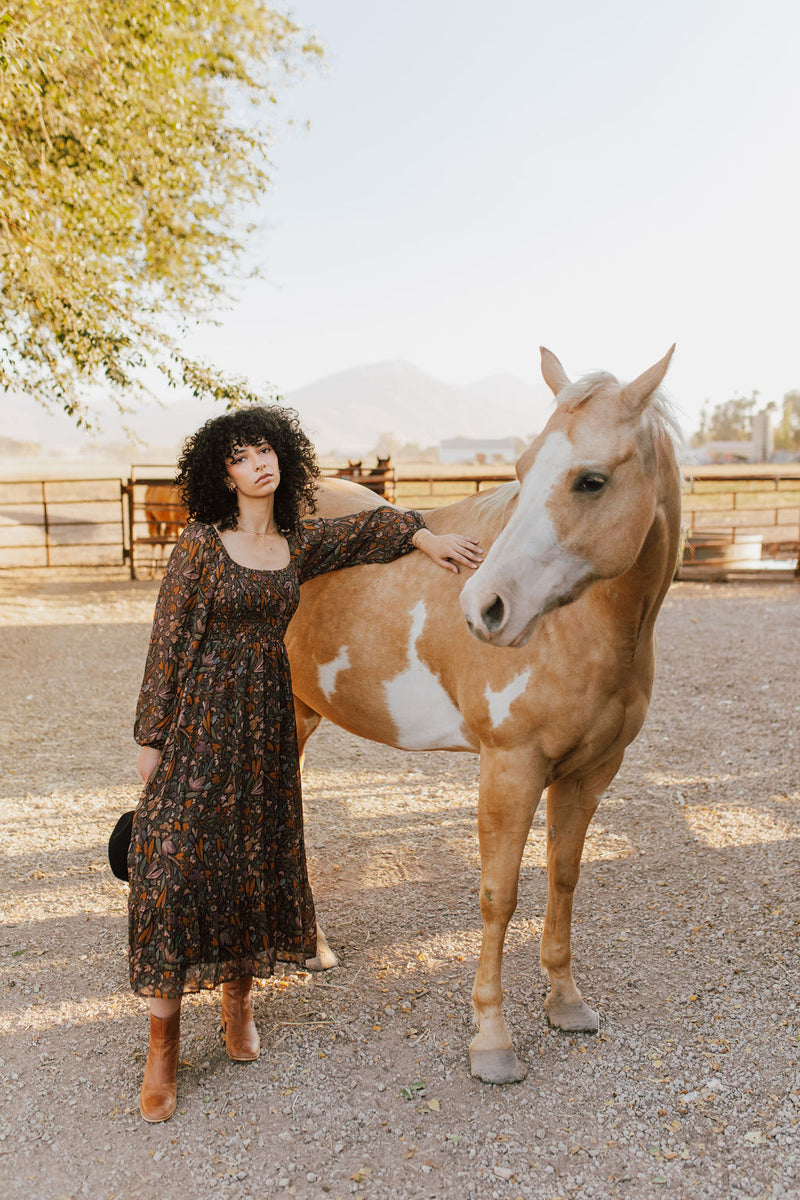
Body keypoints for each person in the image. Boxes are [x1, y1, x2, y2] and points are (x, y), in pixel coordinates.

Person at [130, 405, 483, 1123]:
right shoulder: (200, 545)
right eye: (241, 456)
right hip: (202, 719)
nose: (259, 463)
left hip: (265, 722)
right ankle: (162, 1047)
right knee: (170, 867)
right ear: (220, 474)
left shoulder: (295, 543)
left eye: (266, 450)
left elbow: (367, 530)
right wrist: (152, 734)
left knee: (251, 861)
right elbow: (167, 640)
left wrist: (426, 538)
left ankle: (237, 1006)